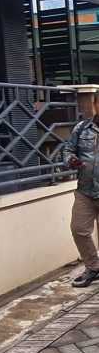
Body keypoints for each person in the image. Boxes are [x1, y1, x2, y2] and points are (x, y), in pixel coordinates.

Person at [64, 92, 99, 287]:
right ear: (95, 104)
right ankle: (93, 267)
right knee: (79, 230)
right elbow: (68, 150)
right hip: (85, 191)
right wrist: (71, 160)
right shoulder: (82, 128)